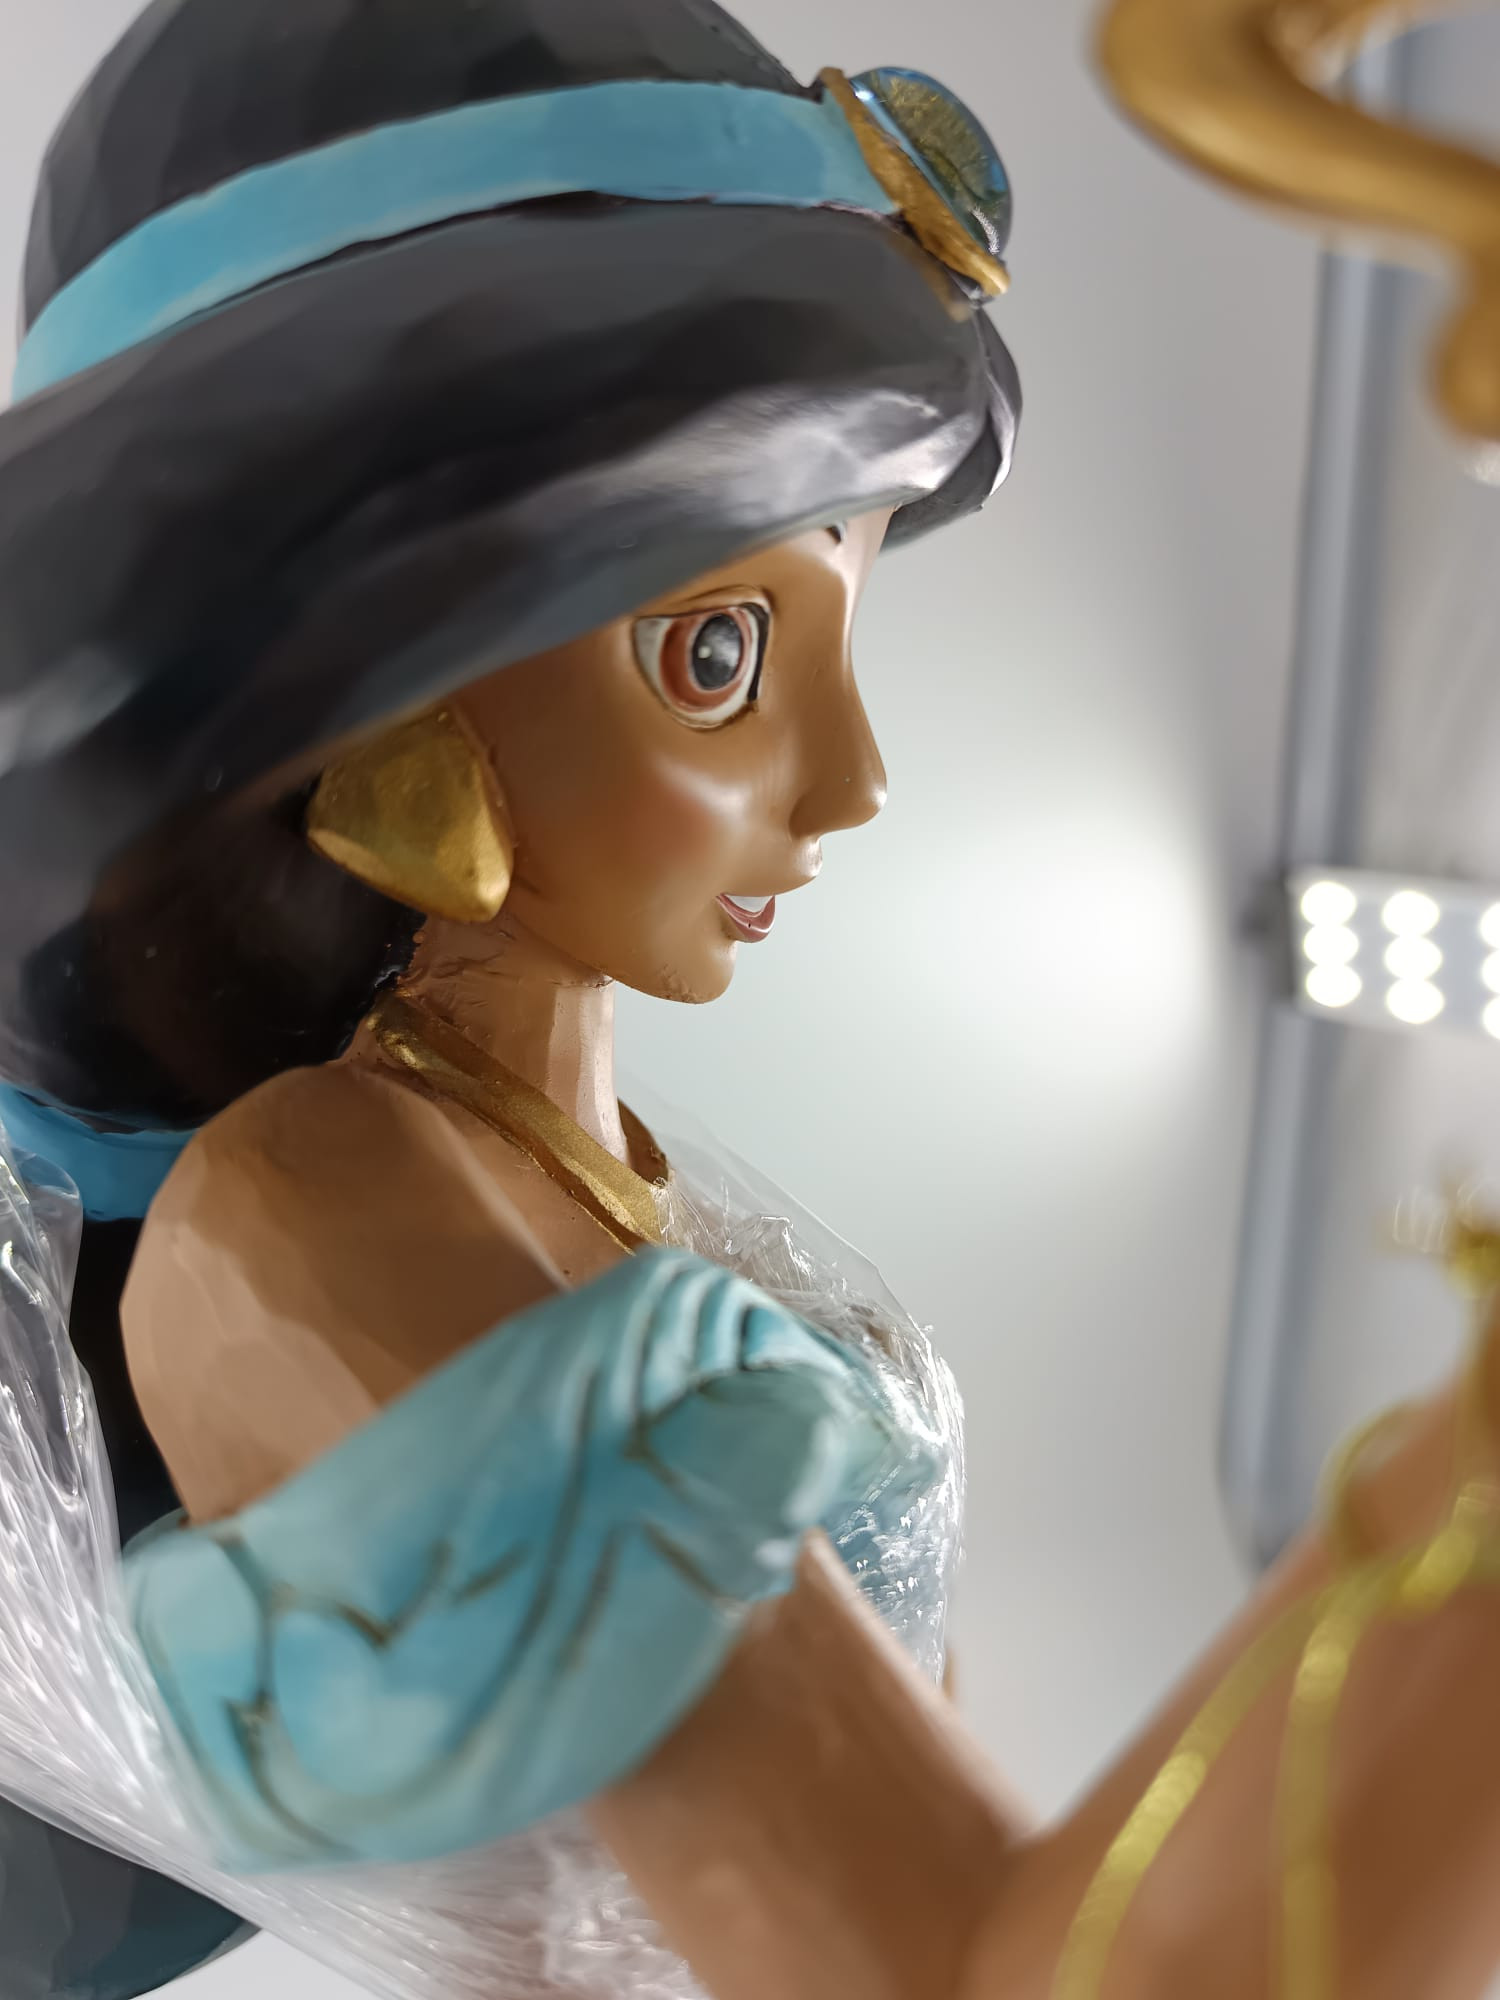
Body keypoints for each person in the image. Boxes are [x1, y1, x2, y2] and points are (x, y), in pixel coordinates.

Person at [0, 0, 1016, 1991]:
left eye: (848, 612)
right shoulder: (319, 1218)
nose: (854, 781)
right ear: (370, 671)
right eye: (716, 653)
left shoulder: (615, 1188)